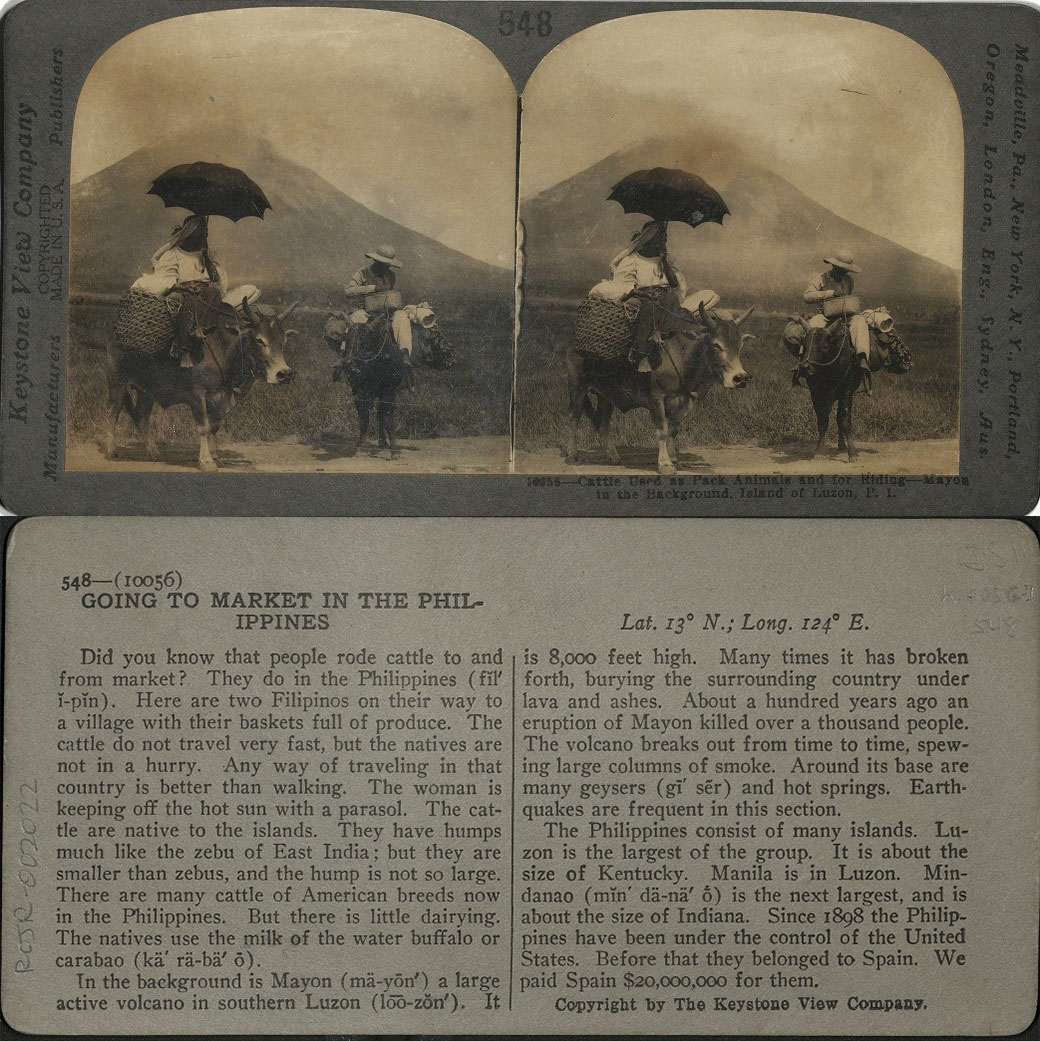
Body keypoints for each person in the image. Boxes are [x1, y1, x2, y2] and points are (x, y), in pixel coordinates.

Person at [132, 215, 230, 368]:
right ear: (189, 234)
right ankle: (182, 349)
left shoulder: (205, 255)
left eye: (204, 235)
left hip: (201, 290)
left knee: (214, 294)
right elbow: (164, 277)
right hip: (180, 290)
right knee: (188, 301)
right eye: (200, 235)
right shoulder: (174, 254)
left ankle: (200, 329)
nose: (203, 238)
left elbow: (215, 278)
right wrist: (181, 287)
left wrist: (206, 257)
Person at [603, 221, 688, 371]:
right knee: (650, 306)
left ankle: (658, 336)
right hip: (641, 296)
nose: (664, 241)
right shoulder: (633, 260)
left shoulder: (667, 260)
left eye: (665, 238)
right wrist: (638, 292)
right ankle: (640, 353)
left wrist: (664, 262)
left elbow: (674, 284)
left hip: (664, 296)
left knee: (672, 299)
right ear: (648, 239)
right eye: (661, 238)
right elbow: (624, 284)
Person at [795, 249, 871, 386]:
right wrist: (829, 293)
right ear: (833, 266)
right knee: (813, 326)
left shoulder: (849, 281)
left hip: (844, 316)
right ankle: (802, 360)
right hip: (824, 315)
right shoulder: (821, 278)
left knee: (860, 322)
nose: (843, 273)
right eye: (841, 269)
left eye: (846, 270)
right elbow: (807, 296)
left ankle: (862, 358)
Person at [344, 245, 414, 379]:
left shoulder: (390, 276)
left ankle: (405, 355)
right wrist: (372, 288)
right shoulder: (361, 273)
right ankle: (347, 357)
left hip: (387, 312)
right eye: (383, 264)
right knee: (356, 320)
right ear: (375, 261)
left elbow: (393, 293)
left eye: (388, 265)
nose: (386, 267)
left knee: (402, 317)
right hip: (365, 311)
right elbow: (348, 291)